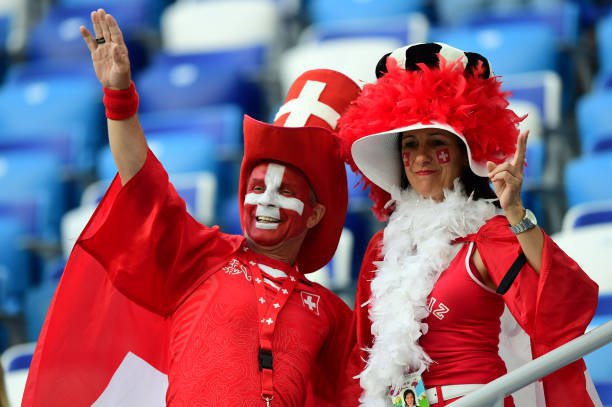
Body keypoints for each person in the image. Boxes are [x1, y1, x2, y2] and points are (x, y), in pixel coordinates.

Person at [23, 9, 361, 406]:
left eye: (285, 190)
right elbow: (142, 182)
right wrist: (119, 97)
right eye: (257, 187)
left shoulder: (332, 314)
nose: (266, 199)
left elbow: (354, 395)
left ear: (315, 214)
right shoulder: (202, 256)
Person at [337, 42, 600, 406]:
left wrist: (516, 213)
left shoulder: (489, 236)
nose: (422, 156)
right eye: (410, 143)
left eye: (437, 141)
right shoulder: (383, 248)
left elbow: (562, 306)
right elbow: (363, 356)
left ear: (464, 154)